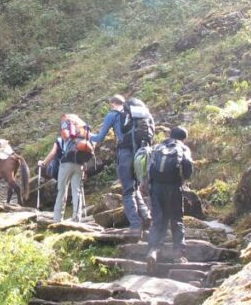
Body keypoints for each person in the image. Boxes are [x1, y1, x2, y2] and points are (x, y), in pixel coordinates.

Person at [90, 95, 152, 233]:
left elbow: (99, 137)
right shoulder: (138, 116)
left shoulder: (113, 115)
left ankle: (135, 224)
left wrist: (84, 135)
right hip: (141, 154)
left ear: (112, 103)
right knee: (135, 187)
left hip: (125, 154)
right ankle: (146, 215)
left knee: (128, 191)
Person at [144, 126, 194, 268]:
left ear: (170, 135)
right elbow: (188, 166)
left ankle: (152, 251)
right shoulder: (183, 148)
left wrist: (147, 185)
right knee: (176, 220)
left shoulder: (158, 147)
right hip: (174, 187)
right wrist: (185, 179)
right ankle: (179, 255)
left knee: (158, 220)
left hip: (156, 187)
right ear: (183, 138)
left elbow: (149, 167)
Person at [39, 114, 90, 222]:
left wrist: (43, 163)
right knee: (77, 191)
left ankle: (57, 218)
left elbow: (53, 153)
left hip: (66, 164)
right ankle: (77, 217)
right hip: (79, 164)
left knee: (62, 190)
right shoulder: (81, 135)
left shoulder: (60, 139)